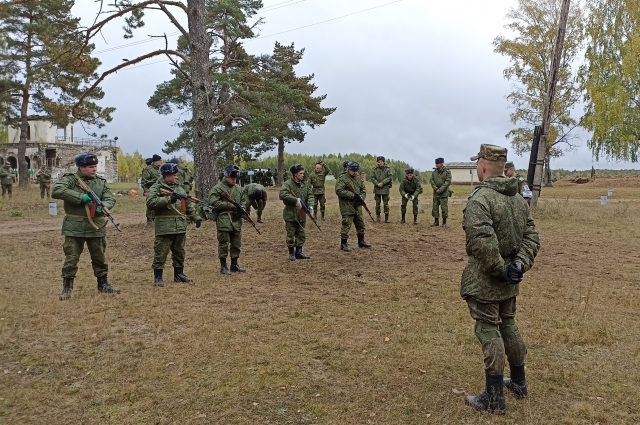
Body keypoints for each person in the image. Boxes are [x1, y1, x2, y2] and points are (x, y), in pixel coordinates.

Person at [461, 144, 540, 414]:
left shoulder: (481, 199)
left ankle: (493, 398)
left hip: (486, 280)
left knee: (488, 329)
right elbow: (531, 236)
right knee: (508, 325)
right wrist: (518, 264)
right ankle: (518, 382)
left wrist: (502, 268)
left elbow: (482, 241)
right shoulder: (518, 198)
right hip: (510, 280)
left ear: (482, 166)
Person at [51, 153, 121, 300]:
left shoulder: (101, 182)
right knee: (71, 257)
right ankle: (67, 287)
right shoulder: (70, 179)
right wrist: (80, 197)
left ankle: (103, 284)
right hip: (74, 226)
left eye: (95, 166)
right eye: (90, 167)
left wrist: (104, 206)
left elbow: (109, 197)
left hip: (96, 225)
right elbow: (57, 191)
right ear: (81, 167)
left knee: (99, 257)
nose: (94, 169)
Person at [146, 162, 202, 287]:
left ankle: (179, 274)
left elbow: (187, 205)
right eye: (174, 175)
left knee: (179, 252)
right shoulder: (156, 187)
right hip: (165, 227)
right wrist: (168, 199)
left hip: (180, 226)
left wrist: (196, 217)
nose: (177, 177)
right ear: (166, 176)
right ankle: (158, 277)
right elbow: (151, 202)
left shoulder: (179, 188)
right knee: (161, 253)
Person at [208, 165, 247, 275]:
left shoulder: (239, 189)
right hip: (224, 218)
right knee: (224, 243)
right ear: (226, 176)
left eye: (235, 178)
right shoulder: (218, 188)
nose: (234, 180)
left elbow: (243, 200)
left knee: (236, 243)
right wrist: (228, 205)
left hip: (236, 219)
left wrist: (242, 208)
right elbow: (213, 202)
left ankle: (234, 264)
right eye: (232, 178)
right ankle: (223, 266)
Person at [279, 164, 315, 260]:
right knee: (290, 234)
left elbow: (310, 195)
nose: (303, 175)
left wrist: (311, 206)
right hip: (290, 213)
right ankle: (291, 253)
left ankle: (299, 252)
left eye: (303, 173)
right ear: (295, 174)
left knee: (301, 233)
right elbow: (282, 194)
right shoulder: (288, 184)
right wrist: (295, 200)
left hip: (302, 213)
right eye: (301, 173)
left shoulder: (305, 184)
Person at [335, 161, 371, 251]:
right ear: (348, 169)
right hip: (347, 205)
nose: (355, 172)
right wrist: (352, 196)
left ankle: (361, 241)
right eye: (353, 170)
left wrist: (361, 198)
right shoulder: (342, 178)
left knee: (360, 224)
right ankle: (343, 244)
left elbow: (363, 189)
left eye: (356, 170)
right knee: (346, 224)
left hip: (357, 205)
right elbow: (339, 190)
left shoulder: (358, 177)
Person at [429, 157, 452, 227]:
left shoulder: (447, 172)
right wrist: (436, 189)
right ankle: (436, 221)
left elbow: (447, 182)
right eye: (436, 163)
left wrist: (441, 189)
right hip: (436, 193)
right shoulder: (434, 172)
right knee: (435, 207)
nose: (436, 165)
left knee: (444, 208)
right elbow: (432, 181)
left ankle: (444, 222)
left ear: (442, 163)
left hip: (444, 193)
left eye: (438, 163)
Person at [371, 156, 393, 222]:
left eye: (381, 161)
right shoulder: (375, 169)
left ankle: (386, 217)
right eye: (378, 161)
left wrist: (382, 183)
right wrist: (377, 183)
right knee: (377, 204)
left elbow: (390, 177)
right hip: (377, 188)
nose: (380, 163)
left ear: (384, 162)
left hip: (385, 188)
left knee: (385, 204)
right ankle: (378, 216)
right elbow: (372, 178)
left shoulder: (387, 169)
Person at [142, 154, 162, 222]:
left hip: (159, 190)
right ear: (155, 161)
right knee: (151, 205)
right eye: (159, 160)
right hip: (150, 190)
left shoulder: (159, 170)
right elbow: (144, 182)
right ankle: (150, 219)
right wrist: (146, 191)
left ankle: (156, 218)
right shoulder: (148, 169)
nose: (161, 161)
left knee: (158, 204)